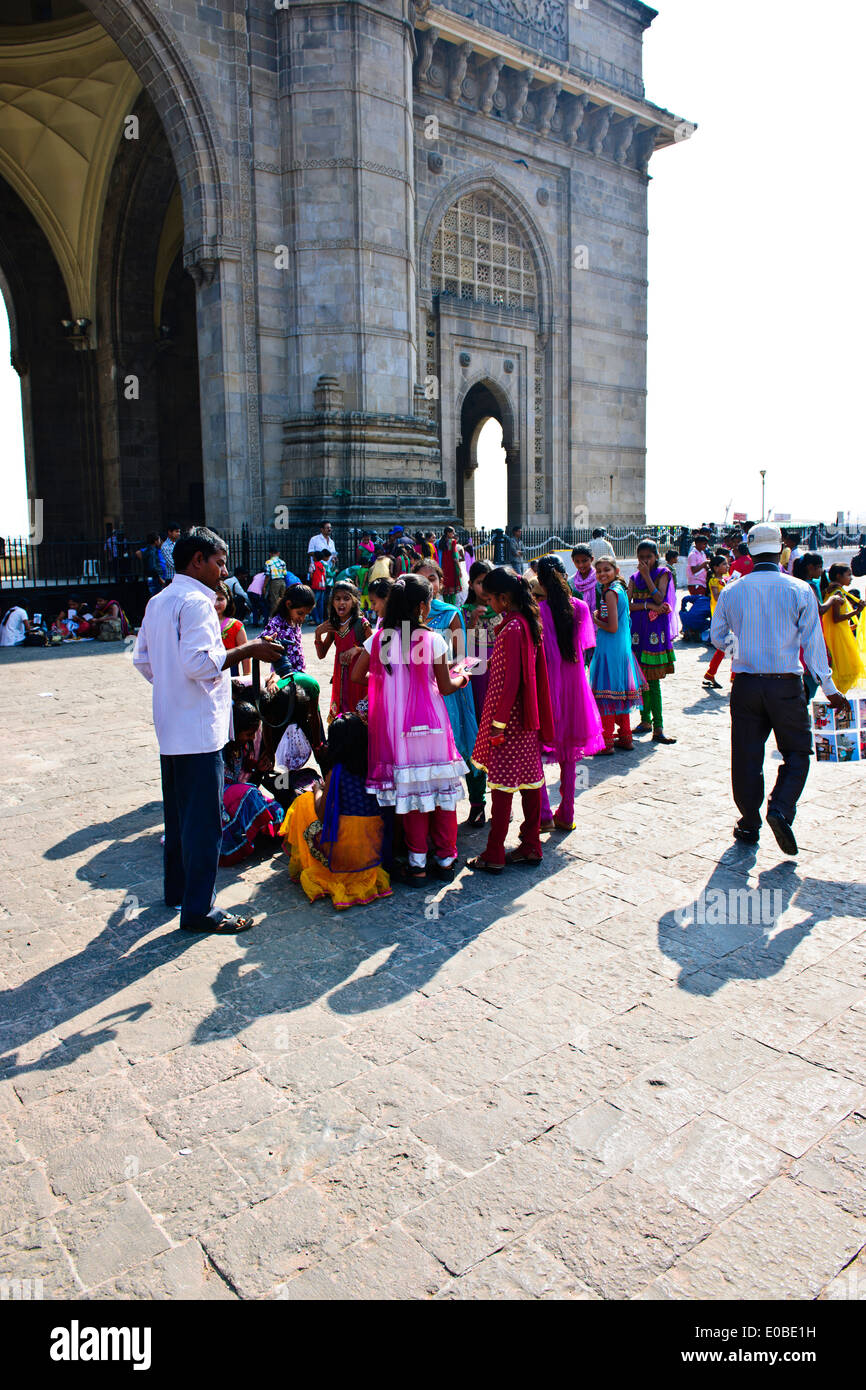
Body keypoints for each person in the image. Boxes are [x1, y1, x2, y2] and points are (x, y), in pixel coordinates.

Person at [132, 525, 284, 933]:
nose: (223, 571)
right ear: (197, 561)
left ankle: (178, 892)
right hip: (199, 731)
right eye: (218, 562)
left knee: (180, 816)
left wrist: (172, 686)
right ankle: (199, 911)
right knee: (203, 824)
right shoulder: (197, 603)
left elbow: (144, 661)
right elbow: (199, 664)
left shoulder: (159, 600)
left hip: (172, 724)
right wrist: (250, 649)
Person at [710, 522, 849, 855]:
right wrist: (829, 687)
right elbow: (814, 644)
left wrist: (739, 651)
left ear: (751, 551)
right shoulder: (799, 589)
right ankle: (781, 808)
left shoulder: (732, 590)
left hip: (745, 685)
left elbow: (716, 636)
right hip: (787, 685)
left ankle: (749, 822)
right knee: (798, 751)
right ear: (778, 549)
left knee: (745, 756)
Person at [351, 573, 468, 886]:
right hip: (432, 727)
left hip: (397, 731)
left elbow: (357, 675)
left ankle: (416, 864)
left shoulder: (380, 639)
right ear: (421, 605)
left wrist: (388, 683)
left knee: (413, 796)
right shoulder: (432, 639)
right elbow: (445, 687)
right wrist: (463, 677)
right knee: (443, 795)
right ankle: (445, 859)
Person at [467, 567, 554, 873]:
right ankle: (531, 845)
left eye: (490, 598)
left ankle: (494, 852)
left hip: (509, 720)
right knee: (530, 781)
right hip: (525, 720)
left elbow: (513, 680)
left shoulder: (514, 628)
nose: (489, 603)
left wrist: (498, 724)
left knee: (501, 787)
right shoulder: (522, 624)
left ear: (503, 598)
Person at [280, 713, 392, 911]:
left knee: (302, 803)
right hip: (371, 849)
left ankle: (309, 862)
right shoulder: (374, 766)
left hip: (345, 852)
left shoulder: (336, 773)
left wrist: (317, 791)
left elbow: (322, 814)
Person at [536, 555, 605, 829]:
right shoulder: (580, 608)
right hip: (575, 687)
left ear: (540, 581)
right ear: (565, 576)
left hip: (547, 687)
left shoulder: (538, 610)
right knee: (570, 754)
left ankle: (542, 814)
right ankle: (566, 813)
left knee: (537, 753)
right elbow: (587, 645)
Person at [413, 559, 482, 824]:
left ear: (441, 583)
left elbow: (461, 655)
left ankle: (477, 802)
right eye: (422, 578)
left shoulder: (450, 613)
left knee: (462, 742)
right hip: (420, 692)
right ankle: (435, 812)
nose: (428, 584)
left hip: (448, 689)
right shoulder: (407, 617)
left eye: (432, 578)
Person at [589, 557, 647, 753]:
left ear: (616, 570)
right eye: (599, 571)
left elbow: (611, 627)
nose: (602, 574)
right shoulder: (619, 589)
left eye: (606, 569)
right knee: (619, 692)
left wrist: (595, 619)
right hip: (621, 647)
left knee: (607, 694)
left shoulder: (610, 593)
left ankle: (606, 741)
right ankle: (625, 736)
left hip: (610, 647)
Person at [220, 703, 284, 864]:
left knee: (273, 807)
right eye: (248, 734)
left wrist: (258, 769)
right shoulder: (218, 750)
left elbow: (246, 777)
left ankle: (263, 833)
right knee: (250, 794)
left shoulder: (242, 748)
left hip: (235, 794)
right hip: (217, 799)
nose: (252, 738)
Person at [463, 559, 501, 827]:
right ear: (471, 585)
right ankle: (477, 802)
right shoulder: (463, 612)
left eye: (489, 583)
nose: (484, 589)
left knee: (498, 737)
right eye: (479, 583)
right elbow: (463, 646)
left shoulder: (503, 611)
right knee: (476, 737)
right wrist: (473, 620)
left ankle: (501, 797)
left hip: (497, 675)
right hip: (475, 676)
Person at [628, 539, 677, 743]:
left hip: (655, 634)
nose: (645, 561)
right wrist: (648, 606)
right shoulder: (632, 578)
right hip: (638, 632)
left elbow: (661, 599)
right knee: (641, 681)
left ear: (656, 556)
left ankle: (658, 726)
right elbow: (629, 605)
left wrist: (648, 578)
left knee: (653, 682)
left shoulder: (663, 573)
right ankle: (644, 720)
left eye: (649, 557)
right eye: (641, 557)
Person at [315, 580, 371, 720]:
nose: (342, 603)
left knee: (358, 717)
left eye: (346, 599)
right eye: (337, 599)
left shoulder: (361, 623)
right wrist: (317, 634)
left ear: (354, 602)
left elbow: (375, 650)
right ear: (332, 602)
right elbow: (321, 655)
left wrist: (357, 650)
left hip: (359, 678)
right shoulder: (333, 625)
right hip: (340, 679)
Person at [821, 563, 866, 694]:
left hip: (840, 632)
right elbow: (836, 618)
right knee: (848, 669)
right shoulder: (837, 593)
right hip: (839, 636)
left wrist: (850, 626)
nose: (851, 578)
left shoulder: (834, 590)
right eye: (848, 575)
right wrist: (857, 611)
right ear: (839, 576)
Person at [261, 583, 315, 677]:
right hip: (282, 676)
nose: (302, 618)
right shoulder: (276, 623)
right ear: (289, 605)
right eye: (300, 613)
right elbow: (260, 642)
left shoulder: (295, 622)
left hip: (299, 673)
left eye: (306, 615)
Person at [701, 553, 731, 689]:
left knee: (727, 647)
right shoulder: (714, 581)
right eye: (724, 564)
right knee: (728, 646)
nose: (727, 566)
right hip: (720, 616)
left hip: (727, 615)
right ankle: (732, 675)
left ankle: (711, 673)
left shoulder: (725, 579)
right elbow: (717, 597)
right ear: (716, 567)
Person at [215, 582, 250, 677]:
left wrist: (247, 678)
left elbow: (245, 654)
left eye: (220, 599)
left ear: (228, 599)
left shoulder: (236, 626)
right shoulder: (201, 624)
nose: (216, 603)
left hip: (232, 680)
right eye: (212, 599)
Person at [264, 547, 288, 616]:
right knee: (283, 600)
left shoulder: (268, 562)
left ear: (270, 554)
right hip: (282, 581)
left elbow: (267, 575)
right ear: (278, 553)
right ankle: (283, 617)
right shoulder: (282, 562)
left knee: (274, 601)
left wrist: (264, 586)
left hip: (274, 581)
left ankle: (273, 618)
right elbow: (285, 573)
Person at [309, 549, 330, 626]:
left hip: (315, 585)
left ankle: (316, 619)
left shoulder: (313, 564)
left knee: (313, 603)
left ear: (315, 557)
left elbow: (311, 575)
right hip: (323, 585)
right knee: (320, 603)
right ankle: (321, 620)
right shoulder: (322, 565)